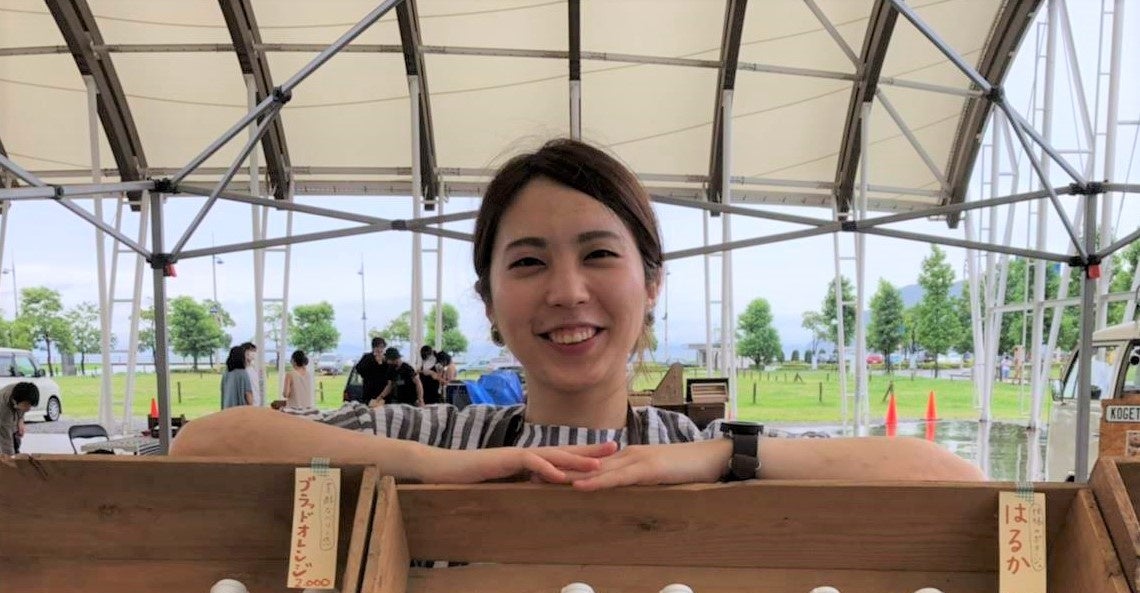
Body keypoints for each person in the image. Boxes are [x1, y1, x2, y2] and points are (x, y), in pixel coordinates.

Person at [174, 138, 984, 485]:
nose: (567, 291)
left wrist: (716, 461)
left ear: (652, 284)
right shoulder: (430, 433)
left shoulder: (699, 449)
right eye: (528, 263)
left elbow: (951, 477)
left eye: (599, 254)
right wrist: (447, 468)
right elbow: (206, 443)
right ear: (490, 305)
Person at [0, 381, 38, 456]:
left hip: (13, 406)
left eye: (30, 405)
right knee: (7, 446)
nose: (29, 409)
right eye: (26, 405)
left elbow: (22, 408)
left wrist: (21, 420)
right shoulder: (3, 408)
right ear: (15, 401)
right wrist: (12, 459)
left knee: (16, 436)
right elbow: (6, 440)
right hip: (3, 418)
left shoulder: (23, 391)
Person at [353, 336, 391, 406]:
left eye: (382, 347)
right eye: (378, 347)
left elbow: (390, 373)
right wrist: (374, 361)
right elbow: (359, 369)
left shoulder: (387, 358)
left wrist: (383, 362)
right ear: (374, 347)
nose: (380, 349)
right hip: (369, 390)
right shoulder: (367, 357)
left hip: (383, 391)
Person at [240, 341, 261, 406]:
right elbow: (246, 390)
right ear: (245, 352)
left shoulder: (253, 369)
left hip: (257, 402)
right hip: (248, 404)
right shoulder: (242, 370)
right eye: (251, 350)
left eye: (254, 351)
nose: (254, 353)